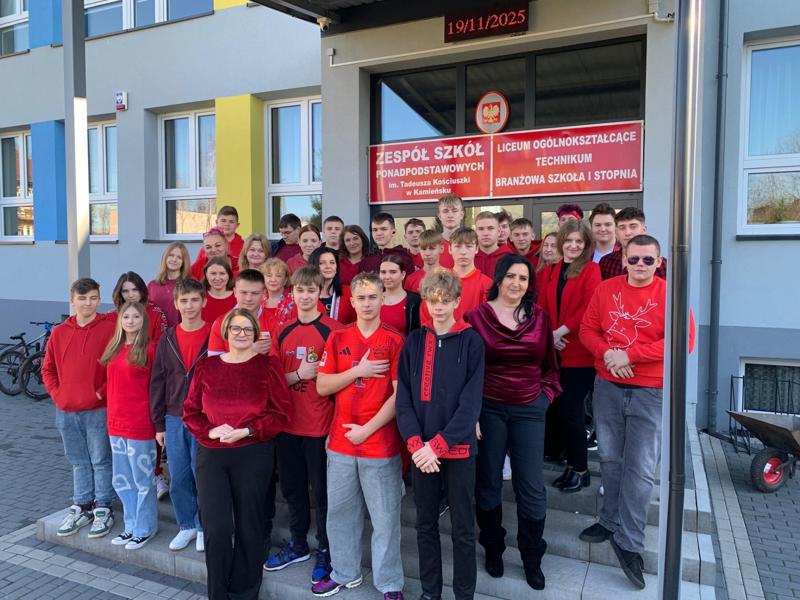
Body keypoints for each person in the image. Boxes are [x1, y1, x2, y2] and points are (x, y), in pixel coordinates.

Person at [464, 254, 561, 591]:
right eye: (511, 276)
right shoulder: (476, 317)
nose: (517, 284)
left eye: (523, 278)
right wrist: (471, 412)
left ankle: (532, 557)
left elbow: (551, 367)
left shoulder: (540, 318)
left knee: (531, 486)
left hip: (529, 409)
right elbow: (466, 371)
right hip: (488, 409)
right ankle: (493, 547)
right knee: (488, 482)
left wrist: (543, 398)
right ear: (499, 278)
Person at [578, 234, 668, 590]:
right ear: (624, 259)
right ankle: (608, 521)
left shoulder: (669, 294)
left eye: (648, 260)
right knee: (611, 459)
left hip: (650, 391)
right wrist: (608, 354)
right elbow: (587, 330)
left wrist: (630, 355)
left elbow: (683, 339)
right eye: (634, 259)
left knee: (641, 469)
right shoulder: (606, 289)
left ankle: (630, 543)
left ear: (659, 262)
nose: (640, 265)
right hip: (608, 387)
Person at [184, 309, 291, 600]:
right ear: (226, 332)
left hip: (252, 453)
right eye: (235, 329)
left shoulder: (267, 366)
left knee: (249, 525)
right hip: (212, 456)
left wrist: (248, 430)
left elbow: (281, 413)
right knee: (217, 528)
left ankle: (244, 593)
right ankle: (218, 593)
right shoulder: (207, 366)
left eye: (247, 329)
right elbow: (191, 411)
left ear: (255, 334)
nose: (241, 334)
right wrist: (210, 431)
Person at [312, 272, 405, 599]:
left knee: (386, 520)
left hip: (379, 444)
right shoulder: (338, 337)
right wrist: (357, 371)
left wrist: (367, 429)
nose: (367, 303)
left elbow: (399, 396)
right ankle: (344, 573)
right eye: (361, 298)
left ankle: (389, 583)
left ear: (383, 299)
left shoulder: (394, 340)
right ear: (351, 301)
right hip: (340, 443)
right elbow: (322, 385)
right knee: (340, 515)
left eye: (372, 297)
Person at [396, 269, 485, 600]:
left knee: (462, 528)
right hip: (421, 451)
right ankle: (430, 593)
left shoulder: (472, 342)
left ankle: (464, 595)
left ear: (457, 302)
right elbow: (403, 399)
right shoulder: (414, 341)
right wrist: (417, 444)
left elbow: (470, 405)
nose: (439, 306)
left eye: (446, 300)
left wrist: (438, 446)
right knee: (425, 525)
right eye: (433, 300)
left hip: (457, 449)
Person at [263, 266, 343, 584]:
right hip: (287, 426)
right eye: (300, 290)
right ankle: (298, 544)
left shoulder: (334, 330)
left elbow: (341, 386)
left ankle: (326, 549)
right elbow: (271, 382)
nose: (305, 296)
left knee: (323, 494)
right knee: (293, 490)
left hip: (320, 427)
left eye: (311, 290)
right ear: (292, 293)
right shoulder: (282, 330)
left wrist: (335, 428)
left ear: (319, 292)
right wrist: (299, 374)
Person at [42, 278, 117, 539]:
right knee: (78, 460)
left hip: (98, 409)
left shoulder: (110, 328)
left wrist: (100, 393)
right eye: (83, 298)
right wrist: (58, 395)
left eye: (93, 298)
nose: (88, 303)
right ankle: (82, 504)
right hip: (66, 410)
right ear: (73, 300)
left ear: (99, 299)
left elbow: (116, 367)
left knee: (101, 459)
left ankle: (103, 507)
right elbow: (48, 369)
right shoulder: (59, 332)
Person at [538, 221, 601, 493]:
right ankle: (570, 464)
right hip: (554, 349)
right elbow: (541, 306)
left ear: (586, 245)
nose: (573, 246)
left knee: (572, 411)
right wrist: (549, 335)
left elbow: (589, 308)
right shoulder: (552, 270)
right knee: (559, 411)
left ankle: (581, 469)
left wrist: (560, 331)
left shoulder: (591, 270)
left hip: (579, 353)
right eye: (569, 241)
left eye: (579, 242)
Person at [150, 278, 209, 553]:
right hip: (173, 417)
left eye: (194, 299)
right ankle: (186, 525)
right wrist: (158, 423)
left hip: (204, 416)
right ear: (175, 304)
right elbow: (158, 381)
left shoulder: (214, 334)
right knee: (180, 475)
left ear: (204, 301)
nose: (189, 305)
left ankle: (203, 526)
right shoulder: (168, 338)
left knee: (202, 475)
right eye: (184, 300)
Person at [100, 301, 158, 550]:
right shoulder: (114, 348)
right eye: (126, 316)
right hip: (116, 423)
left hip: (140, 424)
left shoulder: (150, 349)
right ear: (120, 321)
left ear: (143, 321)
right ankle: (131, 525)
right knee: (122, 480)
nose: (131, 321)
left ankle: (145, 528)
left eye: (136, 316)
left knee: (143, 480)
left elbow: (157, 389)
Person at [419, 227, 492, 327]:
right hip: (441, 335)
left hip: (473, 336)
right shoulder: (436, 281)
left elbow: (488, 323)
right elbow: (426, 316)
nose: (463, 252)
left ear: (476, 249)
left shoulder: (487, 284)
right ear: (449, 249)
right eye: (458, 246)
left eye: (469, 246)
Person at [208, 269, 272, 355]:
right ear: (235, 292)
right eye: (244, 292)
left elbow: (277, 361)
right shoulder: (221, 323)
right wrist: (248, 351)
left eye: (255, 293)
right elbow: (213, 361)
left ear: (264, 294)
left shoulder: (273, 323)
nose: (248, 298)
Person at [598, 207, 669, 281]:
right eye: (622, 228)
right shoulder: (606, 262)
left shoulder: (662, 265)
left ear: (644, 230)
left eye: (633, 227)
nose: (627, 233)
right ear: (616, 233)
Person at [112, 271, 168, 344]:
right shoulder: (113, 315)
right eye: (125, 291)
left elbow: (162, 343)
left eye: (135, 290)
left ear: (142, 290)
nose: (131, 295)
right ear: (119, 293)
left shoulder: (156, 313)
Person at [148, 242, 191, 328]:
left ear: (183, 262)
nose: (174, 259)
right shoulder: (152, 285)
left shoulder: (190, 283)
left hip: (180, 332)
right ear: (165, 257)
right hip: (157, 333)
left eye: (179, 257)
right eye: (171, 255)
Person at [309, 246, 354, 325]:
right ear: (313, 266)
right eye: (322, 263)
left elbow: (356, 323)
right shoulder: (305, 294)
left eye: (332, 262)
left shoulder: (349, 293)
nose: (328, 266)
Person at [379, 255, 421, 337]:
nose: (387, 277)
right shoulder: (372, 299)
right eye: (383, 272)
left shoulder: (415, 301)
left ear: (403, 274)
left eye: (393, 272)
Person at [474, 211, 513, 279]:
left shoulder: (510, 258)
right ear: (475, 232)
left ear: (499, 231)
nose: (485, 233)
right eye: (481, 229)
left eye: (490, 228)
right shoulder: (468, 256)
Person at [404, 230, 443, 294]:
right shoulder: (410, 279)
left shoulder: (449, 277)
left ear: (441, 249)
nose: (427, 253)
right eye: (423, 249)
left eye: (432, 249)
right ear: (419, 250)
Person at [201, 257, 237, 325]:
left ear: (229, 275)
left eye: (222, 273)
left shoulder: (237, 297)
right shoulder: (199, 296)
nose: (217, 278)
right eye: (213, 273)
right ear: (206, 274)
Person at [436, 194, 465, 269]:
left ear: (462, 215)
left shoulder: (471, 244)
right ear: (439, 216)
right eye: (445, 211)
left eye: (454, 211)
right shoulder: (432, 244)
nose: (450, 215)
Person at [262, 257, 292, 330]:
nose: (273, 279)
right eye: (269, 275)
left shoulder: (293, 301)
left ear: (285, 280)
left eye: (278, 276)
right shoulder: (258, 300)